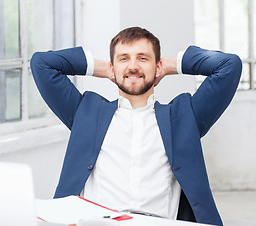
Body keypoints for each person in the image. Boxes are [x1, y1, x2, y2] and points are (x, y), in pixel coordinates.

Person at [30, 27, 242, 225]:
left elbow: (228, 65)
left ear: (157, 66)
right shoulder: (86, 112)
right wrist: (106, 69)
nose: (133, 66)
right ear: (112, 67)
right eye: (124, 58)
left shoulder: (184, 116)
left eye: (143, 58)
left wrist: (168, 65)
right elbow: (41, 63)